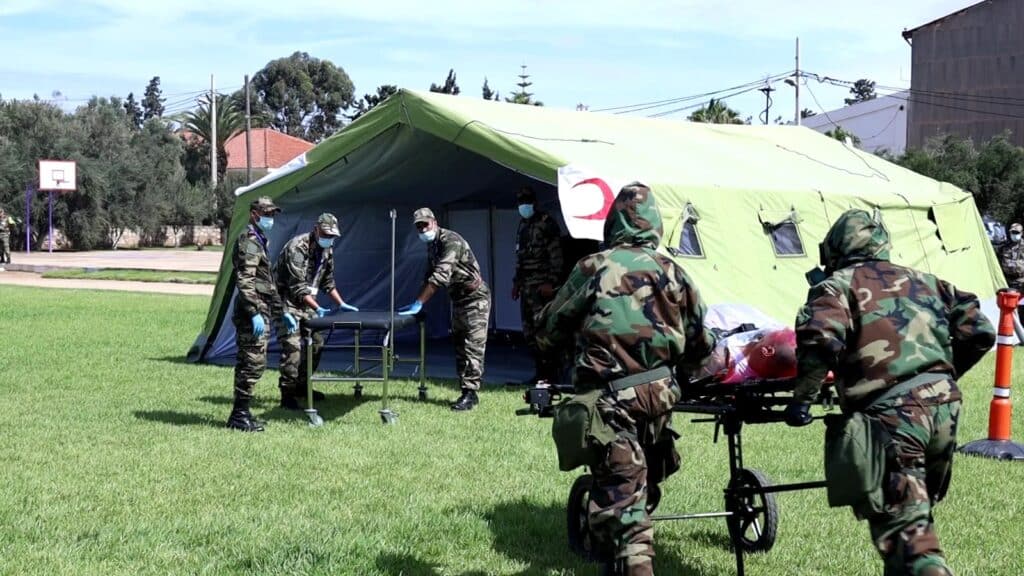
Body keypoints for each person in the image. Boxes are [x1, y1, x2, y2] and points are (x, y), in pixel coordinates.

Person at [785, 209, 996, 576]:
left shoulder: (837, 285)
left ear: (834, 247)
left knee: (907, 534)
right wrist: (939, 375)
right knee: (914, 514)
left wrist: (802, 400)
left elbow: (819, 340)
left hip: (891, 417)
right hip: (943, 410)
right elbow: (980, 331)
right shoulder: (929, 281)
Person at [535, 183, 715, 576]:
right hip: (659, 398)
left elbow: (549, 328)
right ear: (654, 224)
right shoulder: (674, 271)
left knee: (624, 504)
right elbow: (702, 342)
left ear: (614, 222)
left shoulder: (594, 267)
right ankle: (620, 534)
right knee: (638, 481)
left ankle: (630, 552)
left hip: (610, 401)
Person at [398, 207, 491, 411]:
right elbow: (428, 274)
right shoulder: (433, 245)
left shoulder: (451, 241)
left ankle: (470, 393)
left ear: (434, 221)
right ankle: (466, 390)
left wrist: (420, 303)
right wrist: (416, 300)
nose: (423, 229)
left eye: (425, 224)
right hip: (458, 299)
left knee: (472, 346)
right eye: (419, 227)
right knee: (459, 345)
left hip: (475, 298)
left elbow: (440, 274)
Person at [226, 196, 298, 432]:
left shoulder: (259, 240)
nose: (270, 218)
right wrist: (254, 312)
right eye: (267, 214)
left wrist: (282, 311)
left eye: (273, 214)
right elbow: (245, 280)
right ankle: (239, 415)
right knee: (253, 362)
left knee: (251, 361)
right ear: (254, 214)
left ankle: (241, 413)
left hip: (262, 309)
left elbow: (266, 284)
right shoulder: (249, 241)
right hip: (251, 312)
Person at [275, 213, 359, 410]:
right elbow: (297, 287)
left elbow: (327, 281)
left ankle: (302, 387)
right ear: (316, 229)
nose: (329, 239)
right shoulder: (297, 247)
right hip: (287, 304)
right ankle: (287, 394)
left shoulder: (326, 250)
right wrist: (319, 308)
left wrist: (341, 303)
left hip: (307, 304)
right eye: (326, 234)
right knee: (293, 349)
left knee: (316, 344)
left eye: (332, 236)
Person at [511, 185, 564, 384]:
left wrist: (552, 282)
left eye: (527, 201)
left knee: (544, 331)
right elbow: (520, 256)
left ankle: (551, 374)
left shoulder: (546, 223)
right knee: (529, 332)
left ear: (535, 202)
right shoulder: (523, 224)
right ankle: (540, 373)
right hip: (527, 287)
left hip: (542, 287)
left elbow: (556, 255)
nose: (523, 205)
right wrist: (516, 282)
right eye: (520, 202)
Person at [998, 222, 1024, 292]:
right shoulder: (1004, 247)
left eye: (1016, 232)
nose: (1014, 235)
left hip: (1022, 283)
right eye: (1012, 232)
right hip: (1007, 282)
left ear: (1022, 233)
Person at [0, 206, 15, 271]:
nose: (0, 213)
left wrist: (8, 229)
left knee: (6, 247)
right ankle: (2, 259)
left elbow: (13, 224)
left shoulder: (7, 218)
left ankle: (8, 259)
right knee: (0, 249)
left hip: (5, 234)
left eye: (0, 212)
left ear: (3, 212)